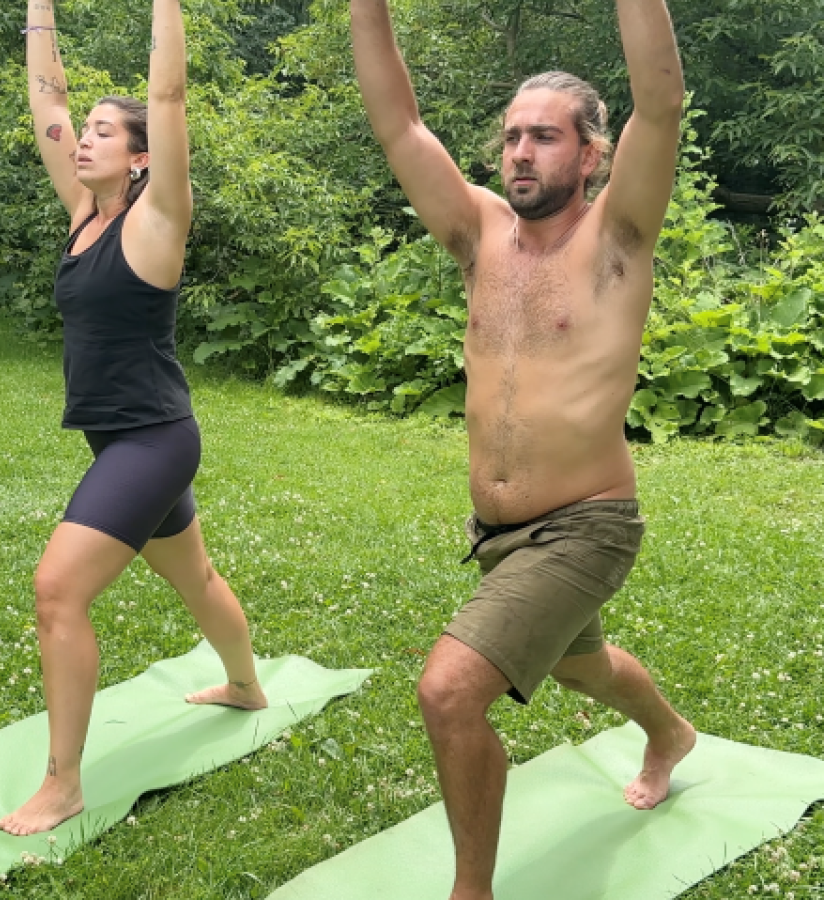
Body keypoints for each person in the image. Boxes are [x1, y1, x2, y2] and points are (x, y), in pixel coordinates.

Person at [350, 2, 696, 897]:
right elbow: (397, 122)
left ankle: (474, 890)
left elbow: (661, 100)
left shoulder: (616, 238)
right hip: (500, 533)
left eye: (543, 137)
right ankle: (669, 734)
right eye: (510, 138)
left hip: (588, 525)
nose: (519, 154)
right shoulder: (477, 233)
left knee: (450, 691)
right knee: (584, 667)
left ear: (592, 154)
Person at [0, 0, 267, 836]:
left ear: (141, 157)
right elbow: (45, 101)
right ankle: (246, 684)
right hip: (122, 437)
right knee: (197, 579)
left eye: (105, 134)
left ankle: (63, 782)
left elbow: (173, 98)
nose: (83, 140)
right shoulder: (83, 215)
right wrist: (40, 8)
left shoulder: (157, 221)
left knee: (56, 593)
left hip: (153, 441)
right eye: (88, 133)